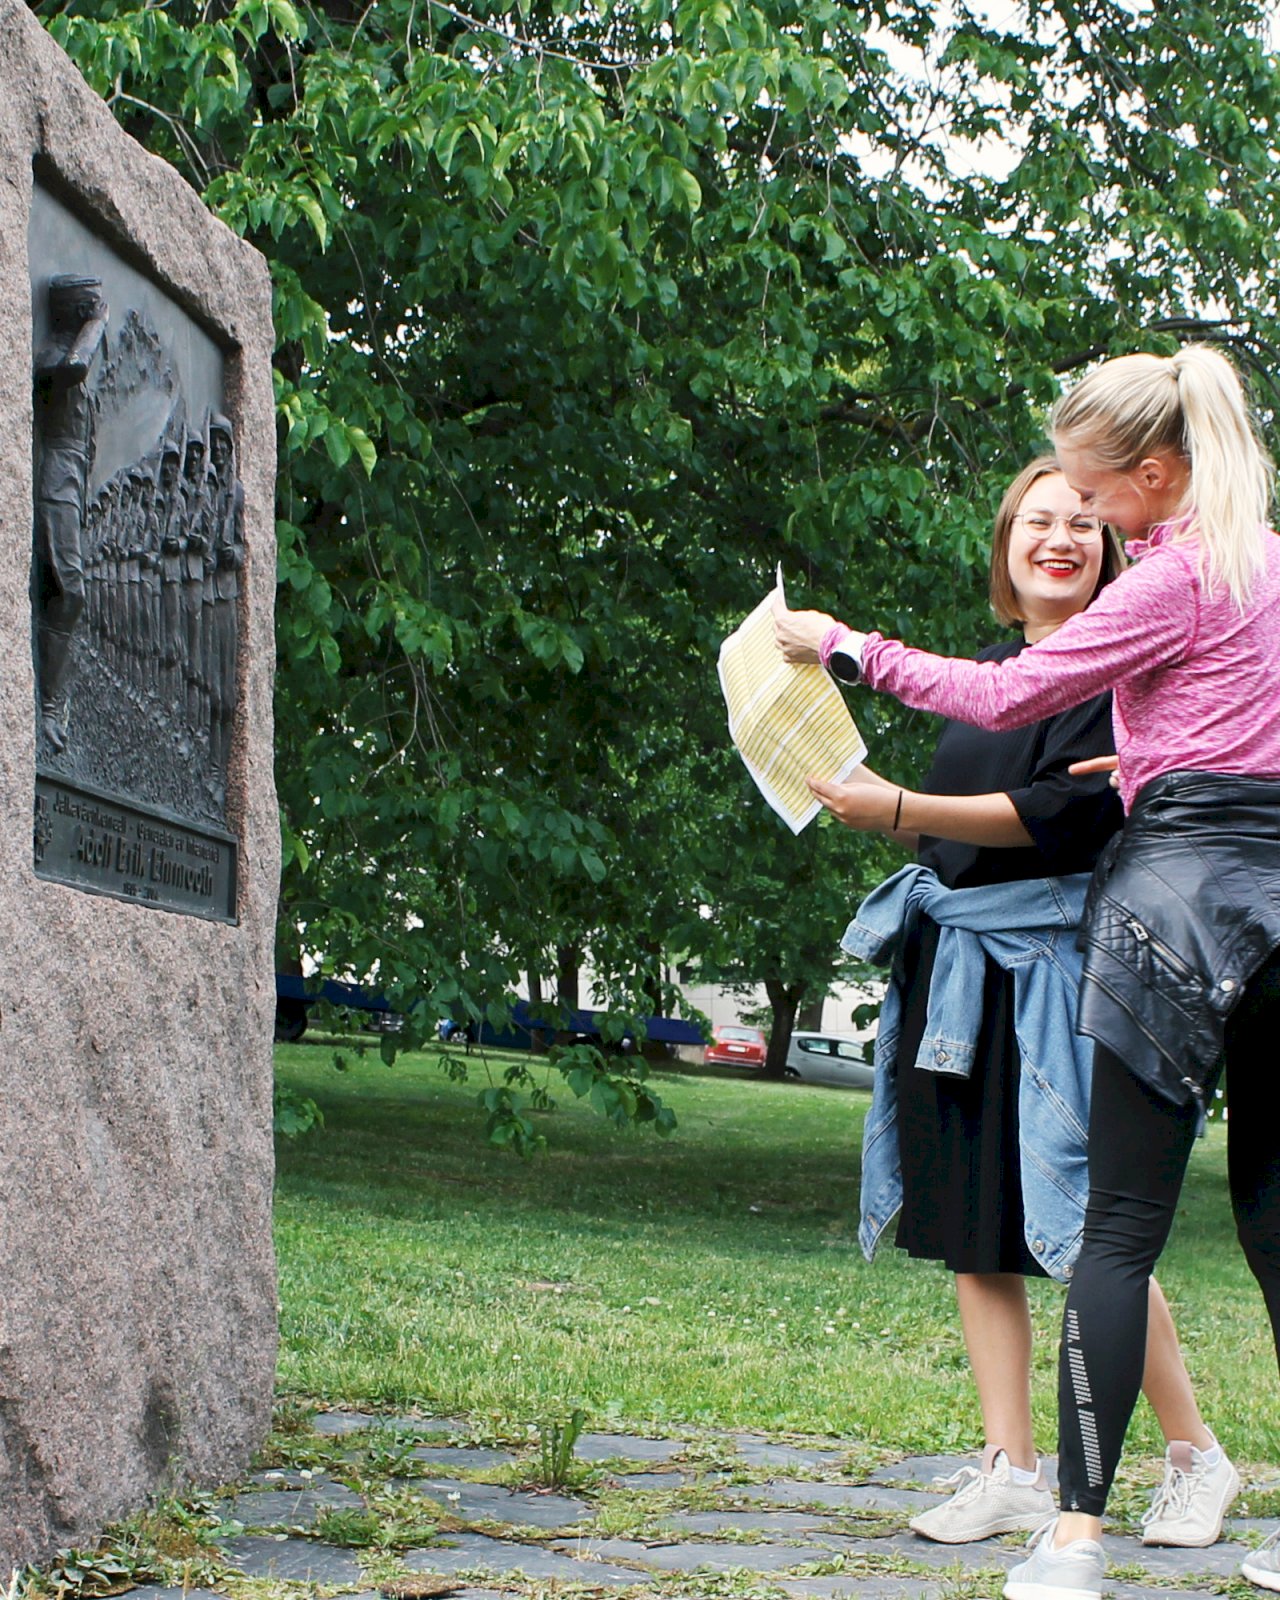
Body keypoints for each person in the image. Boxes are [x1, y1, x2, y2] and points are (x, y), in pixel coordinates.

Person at [775, 346, 1280, 1599]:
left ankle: (1072, 1542)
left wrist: (841, 643)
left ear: (1152, 477)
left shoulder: (1169, 574)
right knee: (1275, 1227)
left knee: (1109, 1232)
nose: (1083, 515)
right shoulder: (1267, 560)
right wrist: (1157, 752)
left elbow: (998, 691)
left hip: (1177, 904)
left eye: (1096, 494)